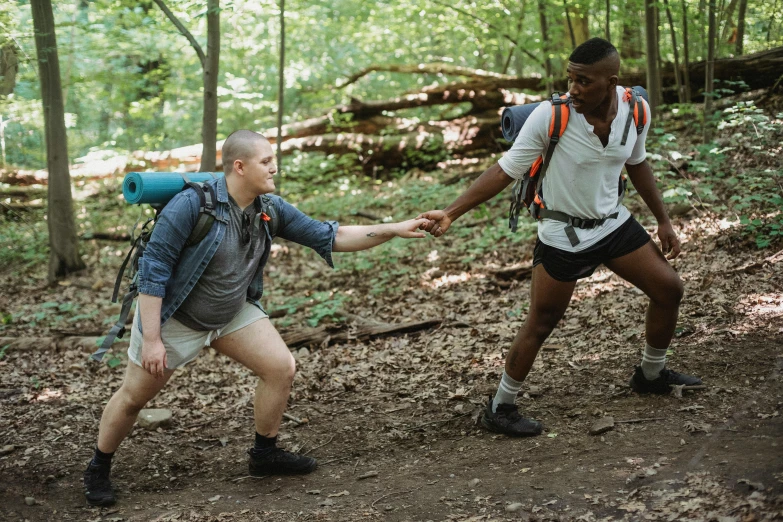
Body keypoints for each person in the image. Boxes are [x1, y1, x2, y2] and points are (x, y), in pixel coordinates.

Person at [84, 130, 430, 506]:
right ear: (239, 166)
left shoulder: (270, 208)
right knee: (135, 397)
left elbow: (330, 236)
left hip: (230, 313)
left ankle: (264, 455)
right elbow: (153, 272)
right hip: (175, 317)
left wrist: (395, 229)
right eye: (266, 161)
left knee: (280, 367)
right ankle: (98, 468)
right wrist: (151, 339)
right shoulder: (190, 206)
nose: (274, 167)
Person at [418, 38, 702, 438]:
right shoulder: (551, 117)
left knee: (669, 289)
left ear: (611, 81)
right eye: (570, 79)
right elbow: (504, 171)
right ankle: (500, 406)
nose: (573, 89)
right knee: (542, 320)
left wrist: (664, 220)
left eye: (584, 81)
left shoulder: (636, 111)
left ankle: (650, 374)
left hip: (612, 224)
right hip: (562, 233)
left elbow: (636, 163)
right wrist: (450, 213)